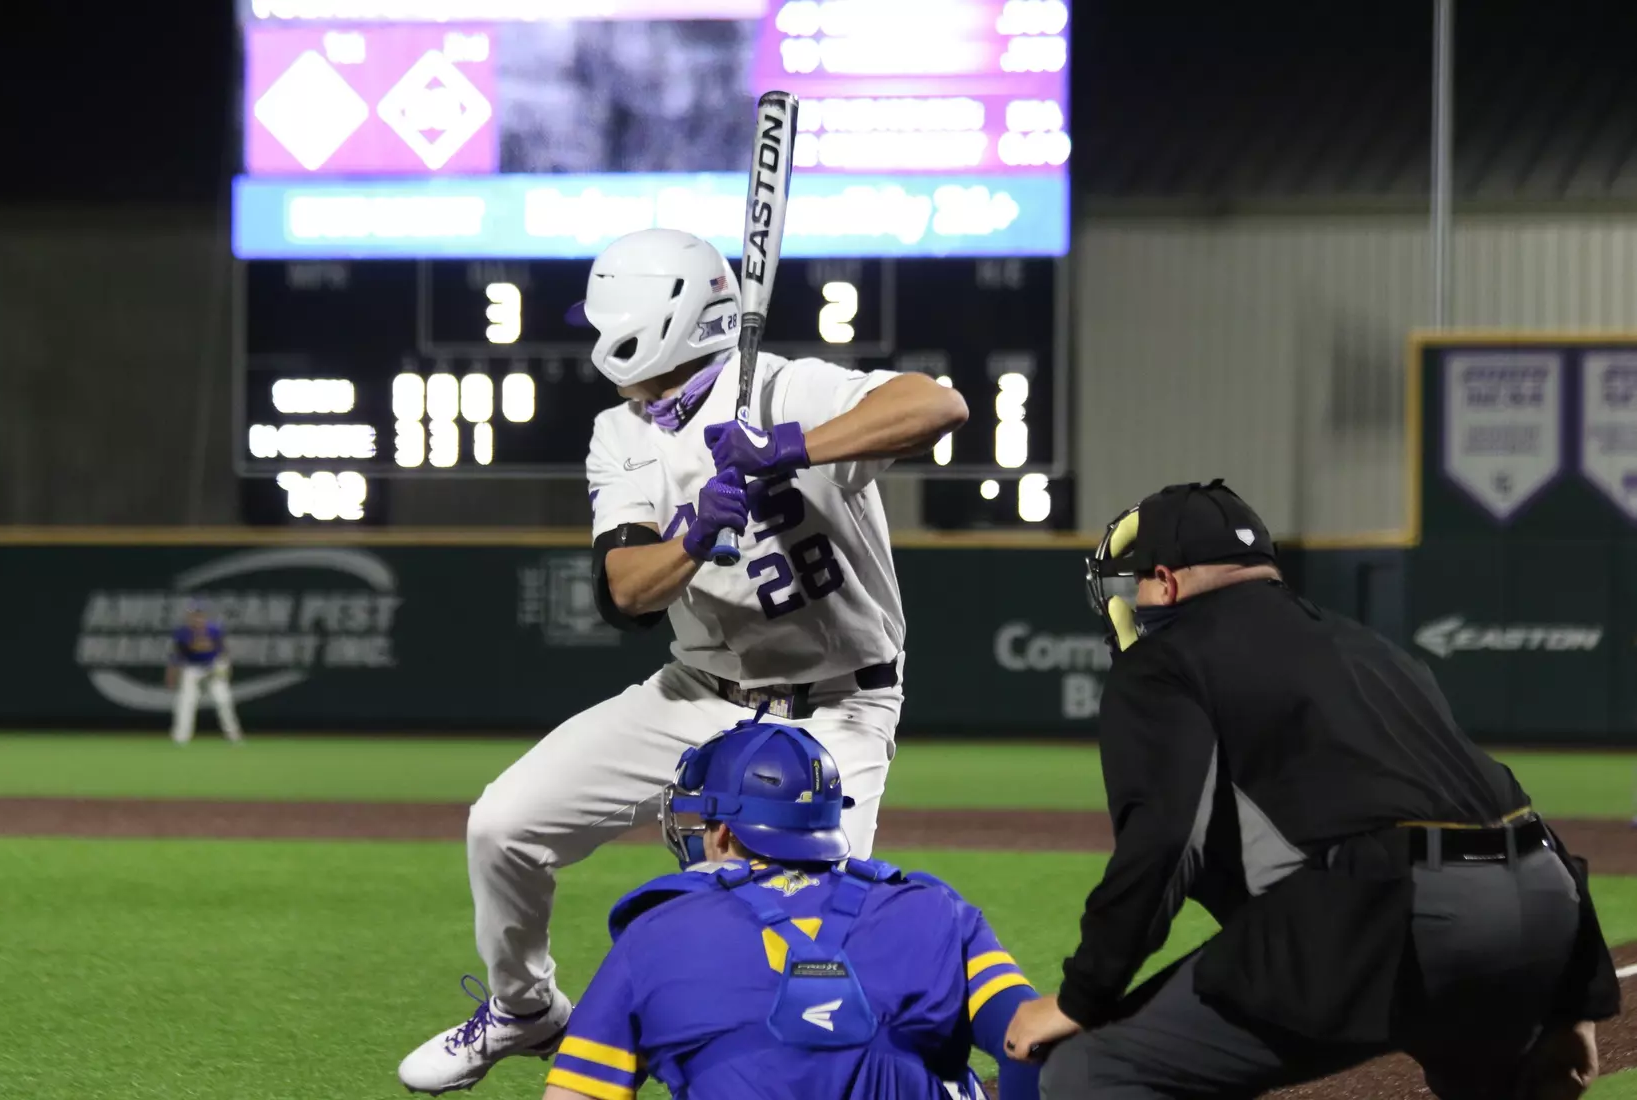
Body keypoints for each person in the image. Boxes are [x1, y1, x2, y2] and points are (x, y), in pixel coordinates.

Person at [399, 228, 968, 1094]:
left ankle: (928, 1075)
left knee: (813, 929)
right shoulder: (620, 432)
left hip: (838, 708)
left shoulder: (790, 385)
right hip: (697, 693)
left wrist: (789, 448)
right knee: (502, 825)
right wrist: (697, 533)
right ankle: (523, 1008)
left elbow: (939, 405)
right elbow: (627, 592)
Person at [1005, 480, 1620, 1099]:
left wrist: (1082, 996)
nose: (1134, 598)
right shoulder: (1371, 648)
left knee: (1090, 1071)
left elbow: (1165, 841)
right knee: (1483, 1073)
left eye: (1137, 581)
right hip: (1547, 907)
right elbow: (1505, 799)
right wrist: (1575, 996)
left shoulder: (1164, 662)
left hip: (1393, 917)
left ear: (1165, 582)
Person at [540, 715, 1042, 1100]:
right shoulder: (936, 910)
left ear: (722, 832)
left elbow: (574, 1093)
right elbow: (1033, 1043)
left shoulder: (652, 932)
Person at [165, 603, 243, 745]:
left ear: (205, 616)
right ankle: (180, 737)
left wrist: (225, 668)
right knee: (185, 702)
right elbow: (176, 656)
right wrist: (171, 676)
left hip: (212, 667)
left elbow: (224, 651)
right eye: (194, 615)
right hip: (192, 668)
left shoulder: (214, 630)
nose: (197, 618)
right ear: (189, 617)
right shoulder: (183, 632)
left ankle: (234, 736)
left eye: (200, 615)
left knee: (223, 701)